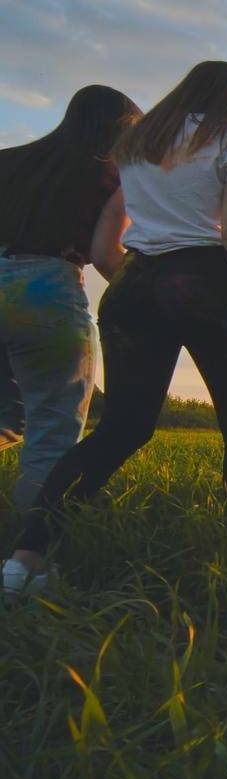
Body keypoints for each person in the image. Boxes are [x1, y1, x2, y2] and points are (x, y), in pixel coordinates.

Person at [3, 61, 227, 600]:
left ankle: (24, 560)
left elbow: (104, 244)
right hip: (209, 282)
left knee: (121, 429)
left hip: (136, 286)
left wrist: (149, 283)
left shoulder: (135, 144)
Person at [0, 86, 140, 516]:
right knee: (54, 425)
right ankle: (29, 551)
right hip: (46, 289)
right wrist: (144, 296)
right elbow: (104, 253)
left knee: (9, 411)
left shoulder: (8, 159)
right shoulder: (114, 175)